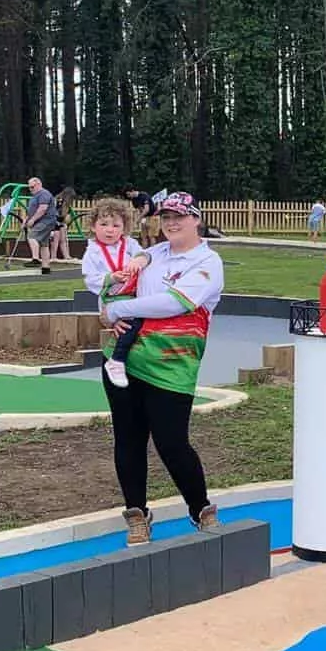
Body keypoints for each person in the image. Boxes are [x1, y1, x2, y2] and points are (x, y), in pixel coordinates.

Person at [98, 191, 225, 546]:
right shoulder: (150, 254)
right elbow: (109, 290)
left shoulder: (208, 262)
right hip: (123, 360)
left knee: (172, 442)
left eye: (179, 217)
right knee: (128, 440)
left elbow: (176, 302)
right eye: (166, 216)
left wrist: (122, 310)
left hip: (172, 366)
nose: (171, 222)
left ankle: (200, 508)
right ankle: (136, 514)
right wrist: (109, 312)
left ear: (196, 219)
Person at [82, 198, 151, 387]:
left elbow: (145, 255)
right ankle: (117, 360)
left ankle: (140, 365)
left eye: (115, 225)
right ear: (94, 226)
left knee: (143, 321)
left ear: (124, 228)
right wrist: (111, 278)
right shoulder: (92, 251)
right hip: (111, 298)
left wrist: (139, 260)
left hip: (134, 294)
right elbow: (90, 279)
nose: (109, 230)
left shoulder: (129, 244)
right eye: (103, 224)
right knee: (129, 325)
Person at [22, 177, 58, 274]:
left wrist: (32, 220)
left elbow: (43, 209)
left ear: (39, 184)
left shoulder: (44, 194)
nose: (31, 189)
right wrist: (26, 220)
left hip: (46, 220)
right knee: (44, 244)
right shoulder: (34, 196)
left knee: (32, 236)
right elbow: (31, 210)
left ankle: (35, 259)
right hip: (41, 221)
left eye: (32, 187)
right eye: (29, 187)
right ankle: (45, 267)